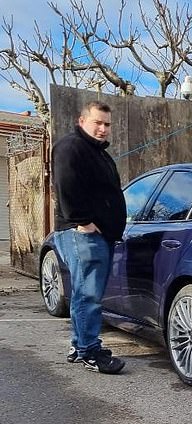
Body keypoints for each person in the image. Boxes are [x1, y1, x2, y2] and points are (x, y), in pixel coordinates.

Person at [52, 100, 127, 374]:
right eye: (98, 122)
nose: (103, 128)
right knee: (89, 296)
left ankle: (79, 345)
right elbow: (66, 185)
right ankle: (89, 351)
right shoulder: (71, 147)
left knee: (84, 293)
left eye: (107, 124)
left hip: (95, 235)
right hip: (82, 234)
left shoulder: (97, 152)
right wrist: (83, 221)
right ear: (81, 121)